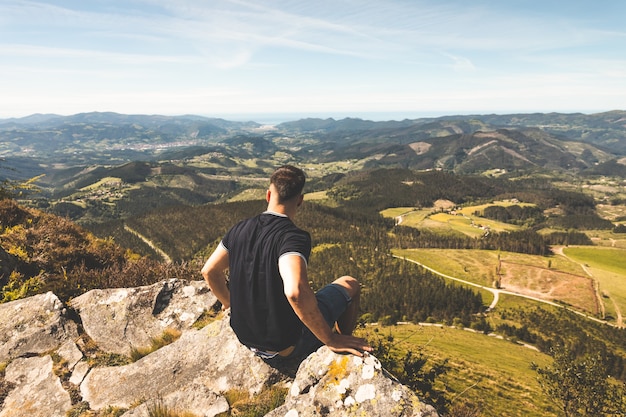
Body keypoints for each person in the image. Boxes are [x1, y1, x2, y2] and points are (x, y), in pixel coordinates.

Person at [201, 165, 372, 364]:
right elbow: (295, 292)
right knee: (350, 284)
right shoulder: (293, 238)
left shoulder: (239, 229)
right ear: (299, 200)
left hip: (244, 338)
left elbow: (209, 270)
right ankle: (341, 343)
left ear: (268, 195)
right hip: (283, 347)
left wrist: (230, 302)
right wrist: (330, 338)